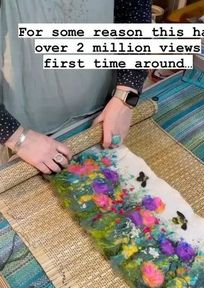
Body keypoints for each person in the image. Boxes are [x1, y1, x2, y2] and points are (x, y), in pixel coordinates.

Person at [0, 0, 151, 174]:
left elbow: (134, 15)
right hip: (26, 130)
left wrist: (126, 96)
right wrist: (17, 137)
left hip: (102, 111)